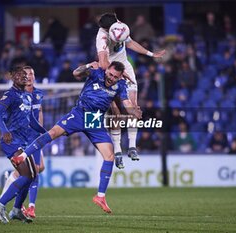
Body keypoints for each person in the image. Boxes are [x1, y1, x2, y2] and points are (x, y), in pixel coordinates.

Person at [11, 61, 142, 214]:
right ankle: (23, 156)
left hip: (94, 119)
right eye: (110, 74)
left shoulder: (120, 86)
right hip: (79, 113)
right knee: (52, 133)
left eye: (115, 77)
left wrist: (134, 112)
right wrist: (87, 66)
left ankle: (100, 196)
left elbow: (126, 104)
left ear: (119, 77)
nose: (111, 78)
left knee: (109, 155)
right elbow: (76, 73)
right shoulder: (97, 73)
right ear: (107, 71)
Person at [96, 12, 165, 169]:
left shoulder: (119, 27)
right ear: (107, 29)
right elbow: (103, 63)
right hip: (111, 72)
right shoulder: (102, 38)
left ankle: (132, 147)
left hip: (124, 65)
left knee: (133, 107)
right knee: (116, 111)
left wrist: (151, 54)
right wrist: (118, 76)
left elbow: (131, 42)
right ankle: (118, 150)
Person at [0, 67, 46, 224]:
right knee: (28, 174)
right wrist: (4, 130)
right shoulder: (10, 95)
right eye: (20, 75)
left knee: (33, 174)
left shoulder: (27, 96)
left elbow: (32, 121)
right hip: (11, 141)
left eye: (26, 74)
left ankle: (16, 210)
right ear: (12, 77)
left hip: (23, 142)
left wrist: (47, 133)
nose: (24, 77)